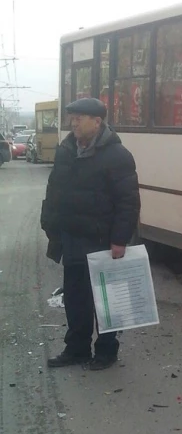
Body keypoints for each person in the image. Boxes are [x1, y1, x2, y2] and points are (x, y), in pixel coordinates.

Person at [41, 97, 140, 370]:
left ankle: (107, 351)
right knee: (75, 297)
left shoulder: (117, 156)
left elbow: (128, 202)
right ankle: (77, 349)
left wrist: (120, 240)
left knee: (105, 301)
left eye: (79, 118)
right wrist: (50, 224)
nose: (73, 123)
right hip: (72, 237)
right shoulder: (66, 150)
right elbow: (54, 191)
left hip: (101, 240)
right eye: (72, 118)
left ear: (97, 121)